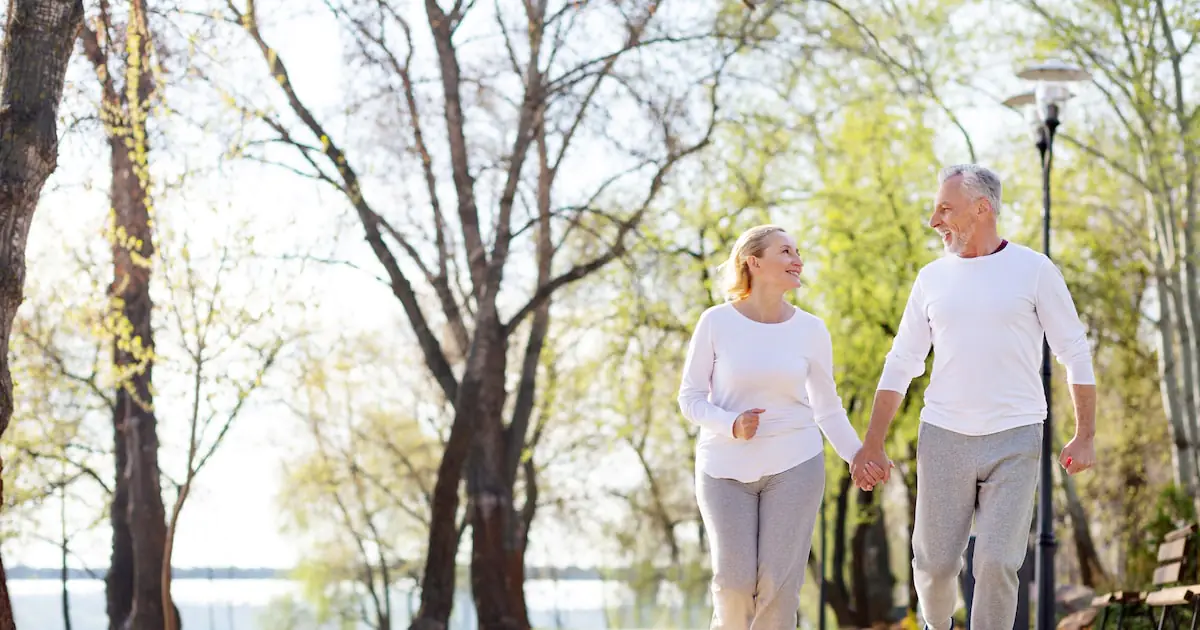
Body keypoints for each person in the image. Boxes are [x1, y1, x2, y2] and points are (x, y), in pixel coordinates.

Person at [850, 164, 1097, 630]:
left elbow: (1075, 351)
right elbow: (902, 361)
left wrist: (1085, 435)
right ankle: (935, 625)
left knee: (997, 563)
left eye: (945, 208)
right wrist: (872, 442)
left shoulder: (1034, 270)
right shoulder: (931, 279)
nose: (933, 220)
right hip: (944, 436)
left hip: (1016, 436)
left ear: (982, 208)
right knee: (936, 565)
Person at [678, 224, 881, 629]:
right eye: (785, 251)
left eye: (798, 251)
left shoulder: (811, 330)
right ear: (753, 262)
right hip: (723, 470)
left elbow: (827, 408)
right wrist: (730, 424)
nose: (797, 260)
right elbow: (690, 398)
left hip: (795, 464)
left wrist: (858, 455)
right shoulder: (716, 322)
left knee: (777, 589)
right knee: (732, 586)